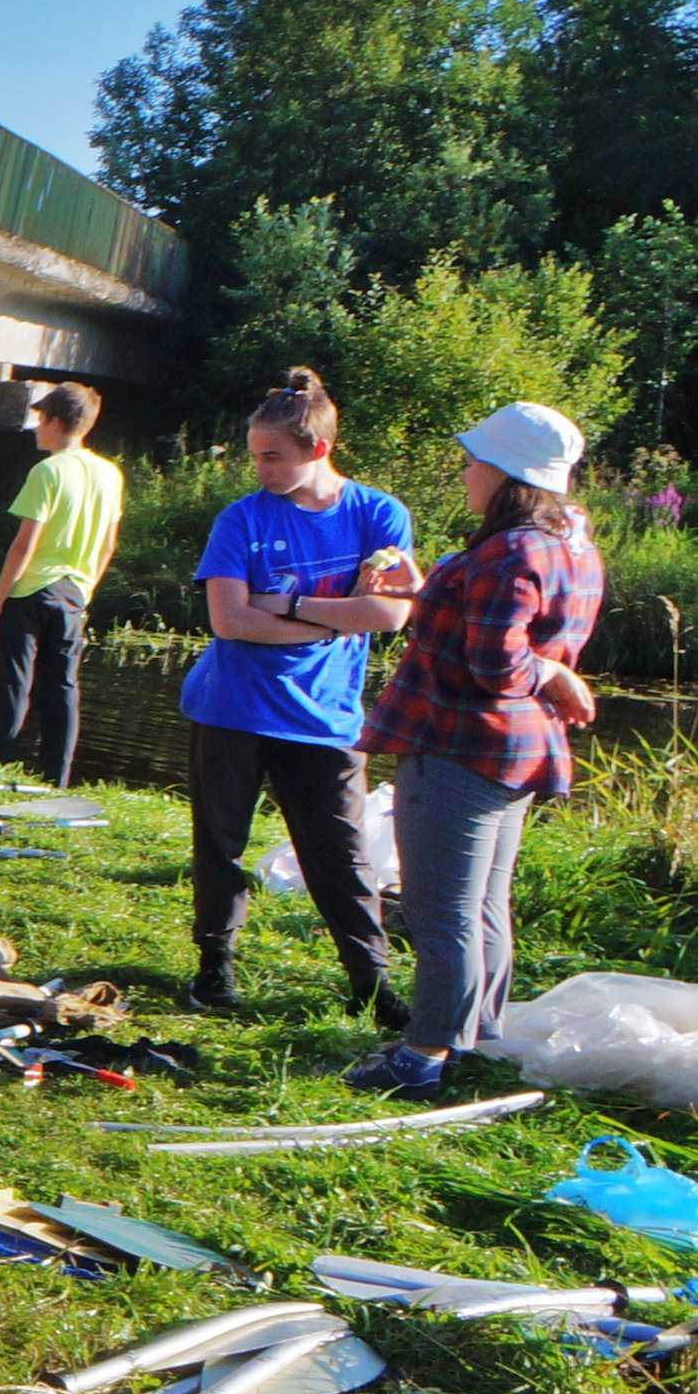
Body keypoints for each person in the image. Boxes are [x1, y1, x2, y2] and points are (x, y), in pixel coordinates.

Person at [343, 404, 605, 1094]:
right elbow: (499, 622)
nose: (465, 470)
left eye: (473, 459)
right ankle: (475, 1037)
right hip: (515, 754)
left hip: (461, 747)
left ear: (507, 472)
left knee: (440, 910)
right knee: (484, 904)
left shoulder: (511, 549)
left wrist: (550, 673)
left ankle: (423, 1054)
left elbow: (499, 665)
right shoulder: (572, 541)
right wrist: (426, 589)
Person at [180, 368, 418, 1018]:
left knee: (339, 854)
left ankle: (372, 983)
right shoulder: (240, 519)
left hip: (325, 716)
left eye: (272, 456)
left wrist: (287, 604)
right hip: (231, 705)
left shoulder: (378, 513)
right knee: (220, 846)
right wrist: (339, 611)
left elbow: (392, 615)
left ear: (317, 449)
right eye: (255, 455)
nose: (260, 468)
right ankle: (214, 968)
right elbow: (230, 620)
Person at [0, 382, 124, 787]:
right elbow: (108, 544)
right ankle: (56, 775)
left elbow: (24, 544)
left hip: (29, 590)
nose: (36, 429)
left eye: (40, 420)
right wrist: (86, 589)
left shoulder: (46, 471)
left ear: (56, 422)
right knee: (62, 684)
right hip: (74, 590)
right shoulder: (110, 474)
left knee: (16, 679)